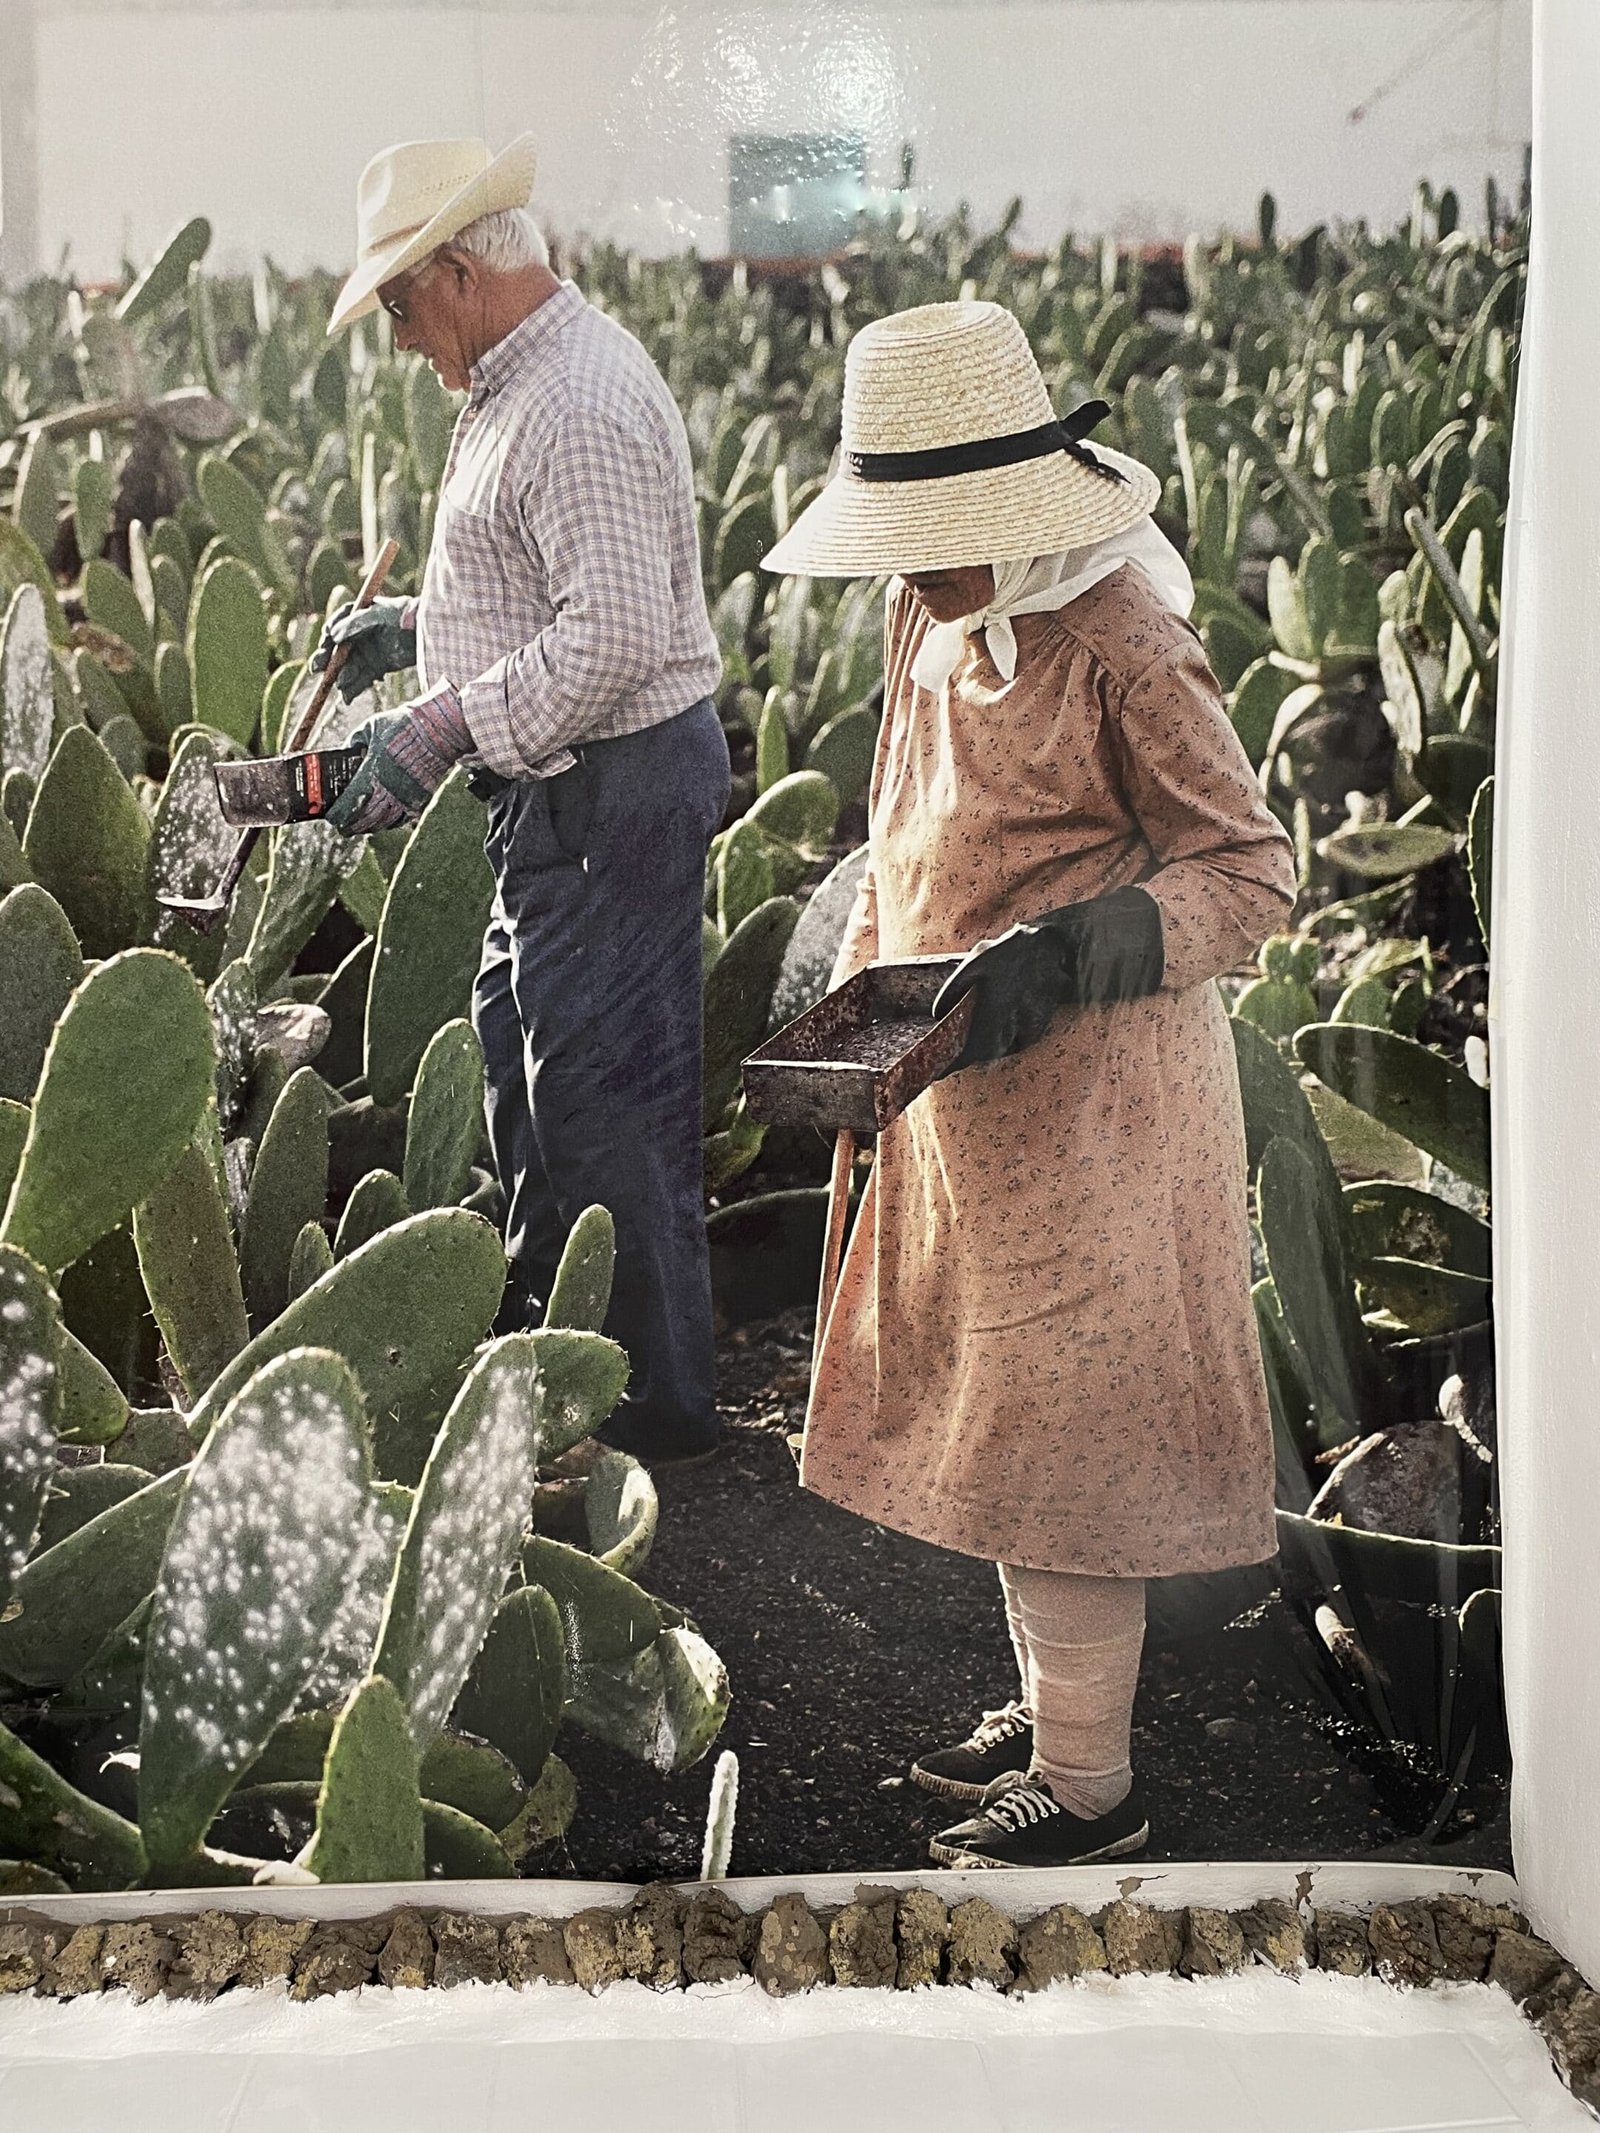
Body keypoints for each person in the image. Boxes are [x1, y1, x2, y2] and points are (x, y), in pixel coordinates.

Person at [760, 299, 1296, 1866]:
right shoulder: (921, 617)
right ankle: (1064, 1709)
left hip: (1104, 1123)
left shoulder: (1127, 640)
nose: (913, 570)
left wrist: (1076, 947)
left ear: (1018, 515)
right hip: (957, 1100)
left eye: (938, 537)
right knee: (1004, 1426)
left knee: (1069, 1439)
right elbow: (895, 822)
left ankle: (1090, 1792)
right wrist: (867, 996)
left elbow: (1253, 876)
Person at [315, 135, 730, 1465]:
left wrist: (438, 721)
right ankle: (564, 1361)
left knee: (604, 1102)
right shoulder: (517, 384)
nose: (393, 337)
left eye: (396, 303)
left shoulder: (576, 403)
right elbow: (539, 583)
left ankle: (649, 1412)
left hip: (609, 790)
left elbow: (607, 641)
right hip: (558, 797)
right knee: (534, 1074)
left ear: (456, 270)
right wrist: (419, 627)